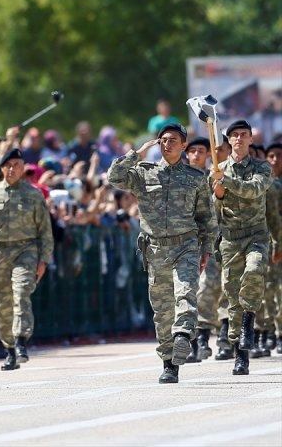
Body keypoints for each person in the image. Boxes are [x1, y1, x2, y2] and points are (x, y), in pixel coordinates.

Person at [108, 123, 217, 383]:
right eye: (163, 140)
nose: (167, 144)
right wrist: (137, 154)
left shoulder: (195, 178)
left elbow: (206, 219)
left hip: (186, 246)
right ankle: (170, 364)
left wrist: (206, 249)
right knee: (162, 309)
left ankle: (182, 335)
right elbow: (114, 177)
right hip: (156, 249)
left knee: (186, 292)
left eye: (173, 140)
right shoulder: (144, 173)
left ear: (183, 146)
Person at [0, 148, 54, 370]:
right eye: (8, 165)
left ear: (23, 167)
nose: (12, 169)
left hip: (26, 250)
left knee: (22, 291)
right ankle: (9, 350)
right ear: (1, 168)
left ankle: (21, 341)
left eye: (16, 164)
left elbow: (45, 230)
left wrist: (43, 259)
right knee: (4, 303)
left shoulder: (34, 194)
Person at [209, 119, 273, 375]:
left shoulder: (262, 167)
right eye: (234, 135)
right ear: (228, 140)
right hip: (231, 238)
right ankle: (240, 354)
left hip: (256, 234)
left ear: (250, 139)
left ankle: (249, 322)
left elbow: (254, 190)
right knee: (233, 297)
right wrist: (218, 193)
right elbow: (214, 209)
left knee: (255, 271)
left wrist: (227, 182)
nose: (238, 139)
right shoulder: (217, 169)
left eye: (243, 134)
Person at [183, 137, 223, 362]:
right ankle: (189, 340)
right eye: (193, 151)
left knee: (208, 289)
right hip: (185, 243)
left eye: (201, 151)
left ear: (208, 155)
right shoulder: (179, 178)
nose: (197, 155)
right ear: (186, 154)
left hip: (211, 241)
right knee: (186, 293)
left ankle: (203, 339)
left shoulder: (213, 178)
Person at [264, 142, 282, 354]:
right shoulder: (264, 184)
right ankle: (271, 332)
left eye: (279, 155)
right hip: (270, 241)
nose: (275, 160)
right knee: (270, 289)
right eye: (271, 156)